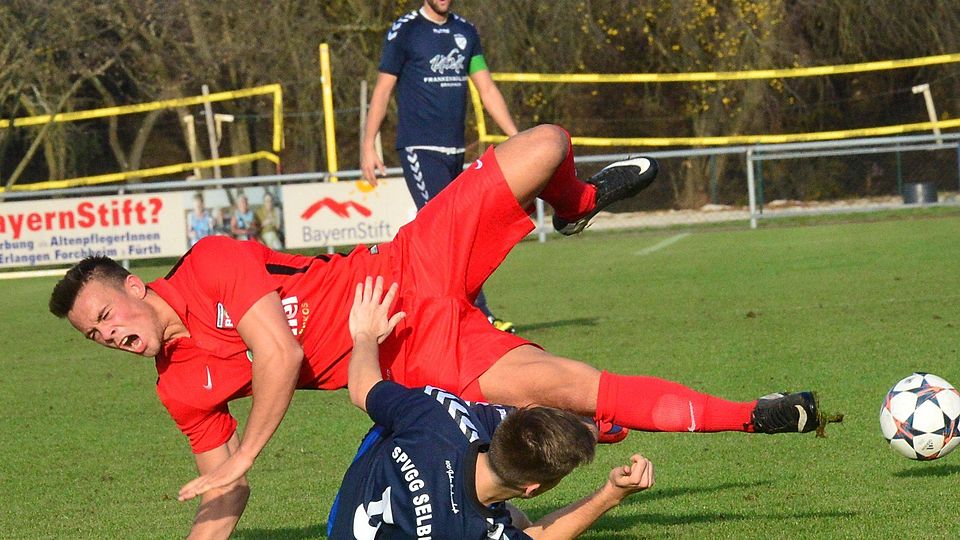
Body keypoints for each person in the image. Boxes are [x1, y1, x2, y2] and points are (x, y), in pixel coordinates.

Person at [49, 125, 837, 539]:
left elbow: (280, 354)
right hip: (415, 356)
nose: (107, 335)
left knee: (548, 144)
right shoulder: (180, 387)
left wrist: (249, 449)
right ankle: (763, 414)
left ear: (135, 286)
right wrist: (223, 492)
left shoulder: (214, 260)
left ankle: (575, 204)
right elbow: (226, 486)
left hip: (404, 268)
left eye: (105, 316)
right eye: (94, 336)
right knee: (574, 389)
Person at [327, 275, 655, 539]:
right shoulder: (482, 532)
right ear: (532, 488)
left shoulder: (437, 414)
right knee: (514, 519)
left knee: (400, 420)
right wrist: (611, 494)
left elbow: (362, 390)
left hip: (344, 519)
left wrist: (366, 335)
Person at [361, 0, 519, 333]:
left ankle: (431, 312)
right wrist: (367, 146)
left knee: (457, 232)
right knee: (448, 230)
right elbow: (382, 89)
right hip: (419, 148)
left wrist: (517, 136)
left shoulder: (466, 31)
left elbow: (486, 87)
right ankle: (478, 316)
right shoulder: (405, 31)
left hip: (454, 151)